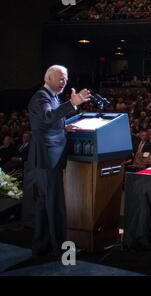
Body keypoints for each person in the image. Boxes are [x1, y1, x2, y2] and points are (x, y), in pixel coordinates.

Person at [27, 65, 91, 257]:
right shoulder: (41, 97)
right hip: (47, 159)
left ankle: (41, 246)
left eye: (66, 78)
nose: (64, 81)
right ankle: (61, 250)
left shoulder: (52, 97)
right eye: (60, 78)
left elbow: (47, 123)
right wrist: (72, 104)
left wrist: (64, 127)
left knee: (44, 203)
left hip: (49, 157)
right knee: (54, 205)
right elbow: (47, 117)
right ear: (48, 78)